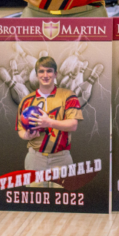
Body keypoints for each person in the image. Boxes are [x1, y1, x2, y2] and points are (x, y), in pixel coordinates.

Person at [17, 56, 83, 185]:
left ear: (55, 74)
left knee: (62, 202)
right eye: (41, 71)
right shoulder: (27, 100)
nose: (45, 75)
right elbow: (20, 129)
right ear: (36, 75)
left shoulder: (68, 95)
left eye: (49, 71)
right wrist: (26, 135)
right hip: (35, 159)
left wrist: (49, 123)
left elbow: (73, 125)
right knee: (37, 202)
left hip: (61, 159)